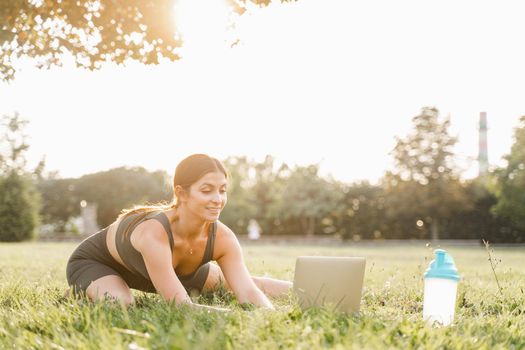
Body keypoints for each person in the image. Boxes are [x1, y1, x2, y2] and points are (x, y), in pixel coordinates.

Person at [65, 154, 292, 310]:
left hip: (168, 268)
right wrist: (237, 318)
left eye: (222, 190)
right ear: (181, 193)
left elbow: (247, 292)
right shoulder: (154, 233)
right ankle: (81, 290)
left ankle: (321, 288)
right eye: (207, 190)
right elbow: (181, 307)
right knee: (121, 304)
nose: (218, 199)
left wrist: (270, 315)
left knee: (240, 284)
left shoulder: (223, 238)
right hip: (97, 263)